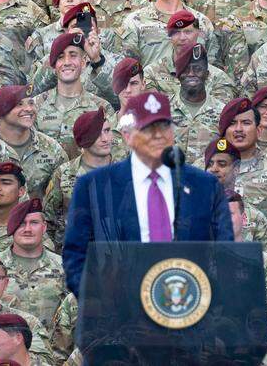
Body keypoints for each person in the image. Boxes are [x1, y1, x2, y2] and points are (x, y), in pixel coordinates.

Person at [62, 89, 233, 294]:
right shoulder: (94, 187)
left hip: (189, 309)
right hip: (122, 314)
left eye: (163, 126)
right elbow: (75, 256)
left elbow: (224, 253)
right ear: (127, 135)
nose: (158, 135)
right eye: (147, 128)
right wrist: (101, 305)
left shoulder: (204, 185)